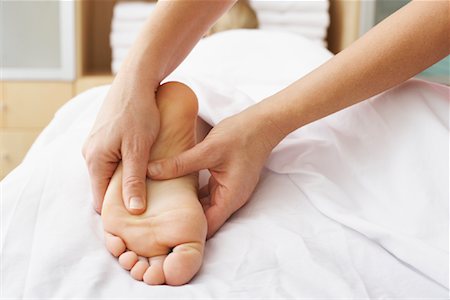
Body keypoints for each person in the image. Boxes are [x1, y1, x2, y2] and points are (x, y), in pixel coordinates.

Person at [83, 0, 449, 284]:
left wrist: (135, 78)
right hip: (300, 64)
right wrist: (132, 83)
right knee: (393, 107)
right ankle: (201, 117)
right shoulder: (290, 43)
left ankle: (199, 120)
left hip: (220, 60)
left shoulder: (217, 43)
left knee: (211, 74)